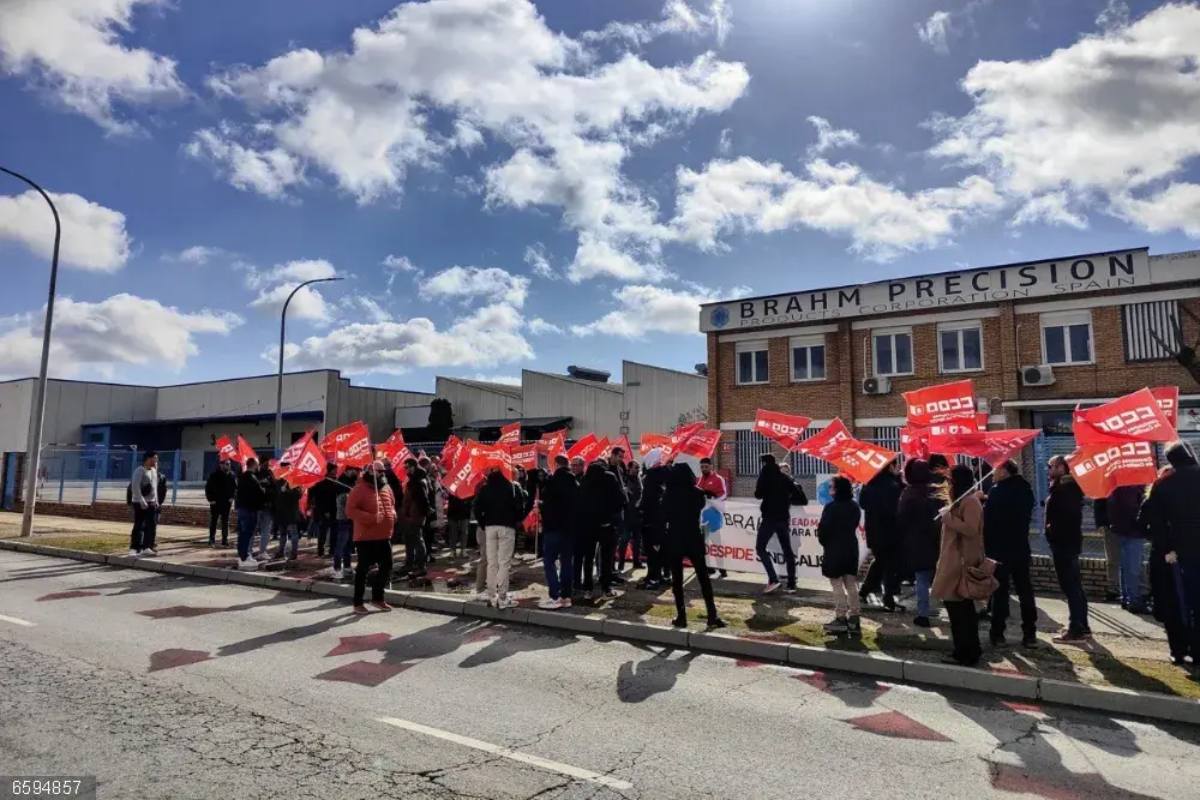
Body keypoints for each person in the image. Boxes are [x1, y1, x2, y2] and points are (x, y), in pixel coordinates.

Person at [1152, 442, 1200, 673]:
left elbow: (1156, 523)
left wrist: (1166, 550)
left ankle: (1178, 651)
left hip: (1177, 554)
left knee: (1177, 604)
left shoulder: (1163, 485)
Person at [933, 464, 987, 667]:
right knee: (956, 610)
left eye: (951, 480)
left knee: (961, 611)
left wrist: (949, 518)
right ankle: (962, 649)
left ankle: (967, 652)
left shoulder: (971, 502)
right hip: (952, 561)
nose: (947, 484)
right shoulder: (960, 501)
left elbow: (971, 530)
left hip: (961, 564)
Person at [982, 459, 1038, 648]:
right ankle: (1030, 633)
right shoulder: (1026, 490)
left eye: (996, 470)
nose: (993, 474)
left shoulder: (997, 492)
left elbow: (988, 523)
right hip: (1021, 547)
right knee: (1025, 591)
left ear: (1005, 471)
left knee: (1000, 593)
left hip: (1000, 550)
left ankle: (998, 633)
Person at [663, 462, 724, 629]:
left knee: (677, 580)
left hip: (675, 538)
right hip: (693, 537)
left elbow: (664, 515)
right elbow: (700, 506)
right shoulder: (697, 493)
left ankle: (681, 616)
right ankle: (712, 615)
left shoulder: (668, 494)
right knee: (703, 578)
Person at [1139, 466, 1188, 665]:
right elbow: (1141, 524)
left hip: (1175, 555)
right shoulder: (1152, 501)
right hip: (1165, 558)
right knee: (1172, 605)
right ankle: (1178, 649)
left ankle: (1183, 648)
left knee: (1178, 605)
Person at [1045, 454, 1090, 642]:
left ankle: (1076, 628)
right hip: (1068, 543)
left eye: (1052, 466)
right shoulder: (1065, 488)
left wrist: (1052, 532)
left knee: (1070, 586)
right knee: (1075, 586)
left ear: (1062, 468)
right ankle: (1082, 625)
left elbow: (1064, 519)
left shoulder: (1065, 490)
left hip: (1064, 544)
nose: (1049, 469)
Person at [897, 458, 945, 628]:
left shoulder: (908, 494)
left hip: (915, 541)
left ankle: (923, 613)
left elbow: (901, 519)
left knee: (922, 578)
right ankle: (945, 606)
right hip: (937, 539)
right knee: (939, 575)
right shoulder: (936, 491)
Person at [347, 462, 396, 614]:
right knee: (363, 569)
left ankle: (377, 598)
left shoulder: (387, 487)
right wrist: (371, 518)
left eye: (383, 471)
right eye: (378, 471)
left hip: (384, 535)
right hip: (365, 537)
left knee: (387, 565)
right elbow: (350, 511)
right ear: (370, 472)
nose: (381, 474)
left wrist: (393, 515)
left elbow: (392, 504)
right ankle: (358, 602)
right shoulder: (359, 489)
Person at [818, 476, 863, 637]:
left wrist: (825, 542)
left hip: (834, 548)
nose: (829, 489)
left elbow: (823, 530)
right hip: (850, 547)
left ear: (837, 489)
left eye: (831, 486)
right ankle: (855, 618)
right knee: (851, 584)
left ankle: (841, 617)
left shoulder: (831, 507)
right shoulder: (854, 506)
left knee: (836, 584)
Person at [474, 467, 524, 608]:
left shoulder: (485, 488)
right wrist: (515, 521)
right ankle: (502, 597)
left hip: (490, 527)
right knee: (504, 563)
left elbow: (477, 508)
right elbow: (520, 508)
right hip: (507, 527)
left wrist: (483, 523)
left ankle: (492, 595)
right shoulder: (512, 487)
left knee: (492, 563)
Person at [858, 460, 904, 612]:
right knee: (889, 565)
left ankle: (865, 591)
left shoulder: (869, 483)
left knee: (880, 562)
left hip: (874, 532)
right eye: (896, 466)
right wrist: (899, 480)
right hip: (890, 531)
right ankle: (888, 599)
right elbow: (895, 509)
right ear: (890, 467)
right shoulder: (893, 485)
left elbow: (863, 503)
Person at [579, 458, 625, 599]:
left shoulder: (586, 478)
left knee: (588, 558)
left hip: (588, 524)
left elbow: (580, 501)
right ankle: (606, 589)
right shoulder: (610, 477)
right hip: (606, 524)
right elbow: (620, 501)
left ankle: (587, 589)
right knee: (606, 558)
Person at [754, 453, 798, 594]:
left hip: (769, 518)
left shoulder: (765, 476)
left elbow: (758, 494)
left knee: (760, 547)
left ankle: (773, 579)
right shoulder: (785, 478)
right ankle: (791, 584)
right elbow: (798, 495)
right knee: (787, 550)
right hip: (783, 518)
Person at [538, 454, 578, 609]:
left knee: (549, 561)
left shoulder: (552, 481)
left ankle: (555, 595)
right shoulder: (574, 482)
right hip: (569, 529)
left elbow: (548, 505)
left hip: (553, 528)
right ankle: (567, 596)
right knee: (567, 562)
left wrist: (541, 506)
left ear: (555, 464)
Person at [1108, 483, 1148, 612]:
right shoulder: (1131, 487)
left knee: (1125, 565)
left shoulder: (1118, 485)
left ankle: (1126, 597)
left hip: (1121, 529)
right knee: (1133, 567)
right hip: (1132, 530)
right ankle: (1134, 600)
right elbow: (1132, 509)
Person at [637, 451, 669, 590]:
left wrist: (639, 507)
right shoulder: (666, 474)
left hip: (650, 520)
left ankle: (653, 578)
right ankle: (658, 575)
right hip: (661, 520)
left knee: (652, 551)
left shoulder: (651, 476)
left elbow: (647, 499)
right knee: (659, 549)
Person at [698, 457, 730, 579]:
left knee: (717, 543)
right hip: (703, 517)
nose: (704, 469)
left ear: (711, 466)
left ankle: (722, 569)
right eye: (702, 467)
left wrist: (713, 496)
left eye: (706, 467)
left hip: (714, 516)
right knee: (704, 544)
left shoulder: (718, 479)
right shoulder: (700, 479)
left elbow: (724, 495)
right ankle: (709, 567)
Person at [398, 461, 430, 579]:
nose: (406, 469)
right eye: (405, 467)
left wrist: (416, 514)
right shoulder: (414, 480)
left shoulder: (418, 481)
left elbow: (423, 501)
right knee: (409, 541)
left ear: (413, 467)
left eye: (407, 467)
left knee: (417, 540)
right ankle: (410, 564)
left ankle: (421, 566)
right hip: (410, 516)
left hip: (415, 516)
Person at [234, 458, 266, 570]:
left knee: (242, 533)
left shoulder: (242, 477)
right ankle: (244, 557)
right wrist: (263, 488)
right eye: (257, 465)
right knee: (247, 533)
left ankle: (243, 555)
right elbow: (260, 493)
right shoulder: (252, 478)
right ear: (254, 465)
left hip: (242, 508)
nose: (258, 467)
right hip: (249, 509)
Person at [307, 464, 343, 558]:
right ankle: (320, 551)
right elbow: (316, 496)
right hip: (324, 511)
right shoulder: (321, 481)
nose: (336, 471)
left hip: (335, 510)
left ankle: (332, 550)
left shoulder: (336, 481)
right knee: (323, 532)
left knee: (334, 531)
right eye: (334, 469)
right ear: (329, 470)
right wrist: (323, 510)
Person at [128, 451, 160, 557]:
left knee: (150, 525)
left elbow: (155, 488)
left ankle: (147, 546)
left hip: (151, 503)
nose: (156, 461)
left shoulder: (154, 471)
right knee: (139, 525)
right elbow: (135, 487)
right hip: (139, 502)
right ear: (148, 458)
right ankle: (134, 547)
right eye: (154, 458)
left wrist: (156, 501)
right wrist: (142, 501)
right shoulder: (139, 470)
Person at [204, 459, 237, 548]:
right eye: (226, 464)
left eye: (229, 464)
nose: (228, 466)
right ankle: (211, 540)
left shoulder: (232, 475)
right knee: (214, 521)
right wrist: (211, 499)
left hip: (226, 503)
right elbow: (208, 488)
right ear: (221, 465)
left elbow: (235, 488)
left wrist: (232, 497)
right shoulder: (214, 475)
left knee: (225, 522)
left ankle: (224, 540)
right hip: (216, 502)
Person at [618, 459, 643, 573]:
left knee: (637, 541)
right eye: (635, 467)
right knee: (624, 540)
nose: (638, 470)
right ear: (629, 468)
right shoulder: (624, 480)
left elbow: (641, 493)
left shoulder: (639, 480)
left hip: (637, 515)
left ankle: (636, 562)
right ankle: (621, 563)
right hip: (627, 515)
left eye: (638, 468)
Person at [333, 467, 358, 579]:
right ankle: (337, 568)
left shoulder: (351, 483)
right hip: (344, 519)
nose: (355, 473)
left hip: (350, 519)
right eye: (353, 471)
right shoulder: (341, 486)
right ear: (347, 471)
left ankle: (347, 566)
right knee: (341, 544)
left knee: (348, 544)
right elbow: (346, 504)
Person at [1094, 496, 1120, 602]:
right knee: (1112, 559)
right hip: (1111, 526)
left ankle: (1137, 590)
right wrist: (1100, 523)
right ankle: (1113, 589)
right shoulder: (1106, 484)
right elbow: (1099, 502)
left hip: (1128, 525)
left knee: (1132, 560)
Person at [273, 478, 304, 561]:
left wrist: (286, 491)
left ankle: (293, 553)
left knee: (291, 534)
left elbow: (298, 495)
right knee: (285, 534)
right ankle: (282, 551)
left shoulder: (292, 482)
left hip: (289, 512)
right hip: (284, 512)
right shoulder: (279, 482)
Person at [255, 460, 276, 560]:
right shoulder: (255, 474)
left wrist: (267, 490)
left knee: (265, 531)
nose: (266, 466)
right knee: (258, 530)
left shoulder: (270, 474)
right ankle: (251, 552)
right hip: (258, 507)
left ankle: (262, 551)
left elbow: (275, 489)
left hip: (266, 507)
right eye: (265, 464)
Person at [445, 490, 472, 558]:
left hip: (464, 512)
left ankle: (463, 550)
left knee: (464, 532)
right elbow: (448, 497)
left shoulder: (466, 487)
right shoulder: (451, 487)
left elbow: (470, 499)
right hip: (453, 512)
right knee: (453, 532)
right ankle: (453, 550)